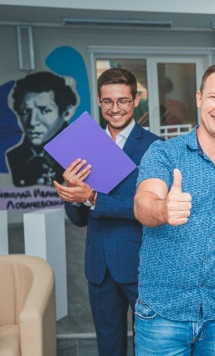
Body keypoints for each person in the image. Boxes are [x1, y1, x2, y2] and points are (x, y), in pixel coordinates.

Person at [133, 63, 215, 356]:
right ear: (200, 98)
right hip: (162, 314)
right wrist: (163, 209)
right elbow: (143, 202)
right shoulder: (164, 153)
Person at [53, 68, 161, 356]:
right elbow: (78, 219)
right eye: (108, 101)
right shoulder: (83, 147)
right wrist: (74, 196)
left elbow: (149, 207)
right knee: (108, 346)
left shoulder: (155, 147)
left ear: (135, 100)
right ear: (99, 102)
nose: (116, 108)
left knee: (150, 344)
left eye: (123, 100)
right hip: (98, 266)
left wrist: (92, 196)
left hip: (140, 264)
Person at [7, 71, 78, 186]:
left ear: (66, 113)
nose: (32, 122)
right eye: (25, 111)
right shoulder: (13, 157)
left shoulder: (82, 154)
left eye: (44, 111)